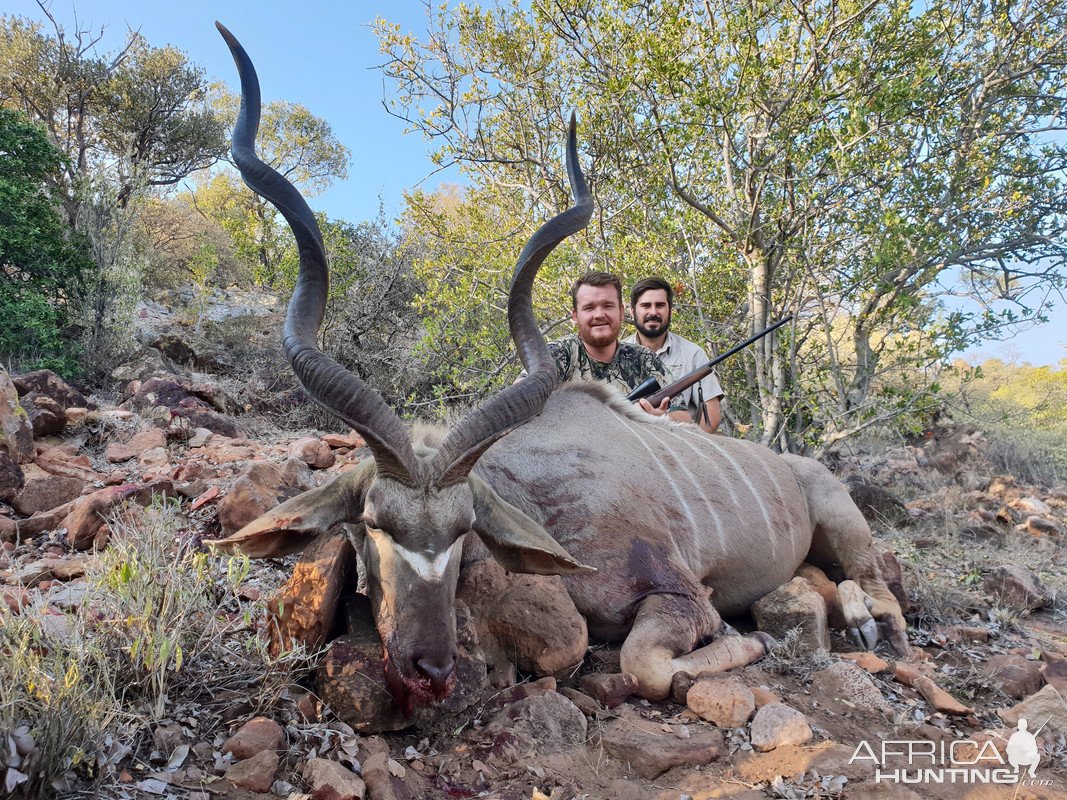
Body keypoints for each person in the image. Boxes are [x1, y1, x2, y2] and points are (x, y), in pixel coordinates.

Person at [532, 271, 688, 420]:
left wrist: (657, 417)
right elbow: (519, 398)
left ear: (621, 312)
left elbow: (684, 418)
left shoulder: (644, 359)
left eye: (608, 306)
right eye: (589, 308)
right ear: (575, 316)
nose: (599, 315)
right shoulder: (556, 355)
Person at [624, 276, 723, 433]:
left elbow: (712, 416)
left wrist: (691, 448)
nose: (653, 312)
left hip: (679, 447)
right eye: (646, 305)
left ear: (670, 310)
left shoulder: (693, 353)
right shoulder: (617, 353)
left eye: (660, 305)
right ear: (632, 311)